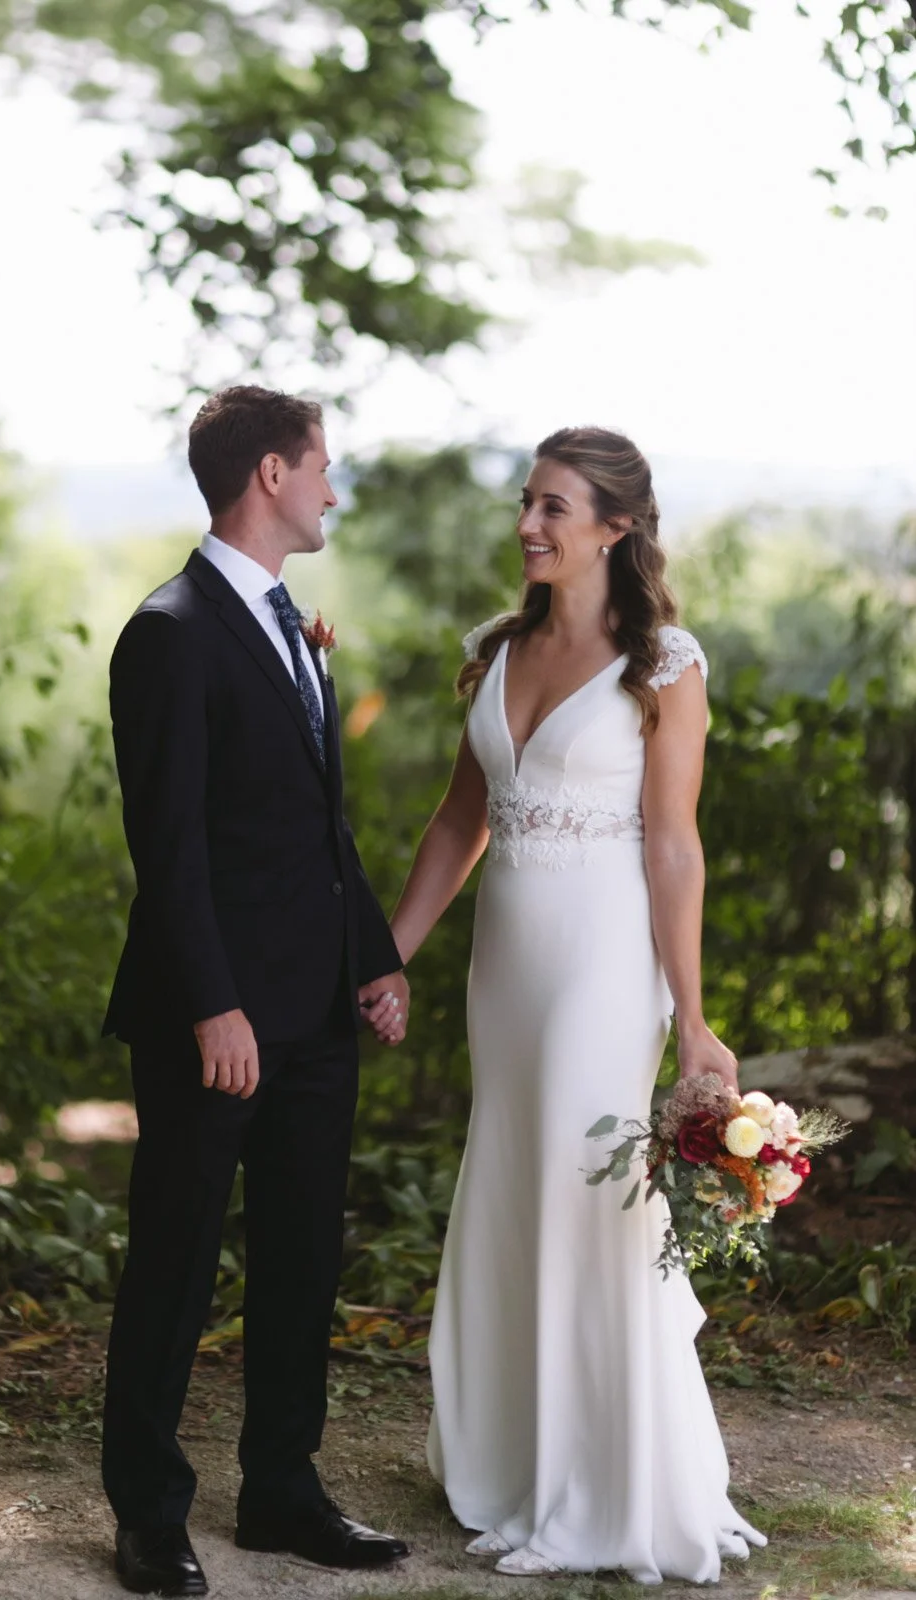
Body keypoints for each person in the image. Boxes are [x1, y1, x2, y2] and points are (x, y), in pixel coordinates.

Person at [387, 427, 767, 1584]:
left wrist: (693, 1020)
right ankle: (510, 1455)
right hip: (505, 961)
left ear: (615, 526)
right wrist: (388, 952)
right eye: (526, 501)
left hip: (606, 960)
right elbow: (461, 820)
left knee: (586, 1187)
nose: (529, 525)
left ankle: (601, 1480)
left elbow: (672, 846)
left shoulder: (664, 666)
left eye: (555, 506)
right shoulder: (496, 649)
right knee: (511, 1176)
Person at [100, 385, 411, 1597]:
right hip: (212, 1019)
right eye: (322, 467)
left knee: (300, 1257)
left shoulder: (289, 624)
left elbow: (315, 830)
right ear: (272, 474)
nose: (333, 488)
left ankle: (280, 1489)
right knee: (173, 1262)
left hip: (315, 1012)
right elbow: (166, 843)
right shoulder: (169, 630)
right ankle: (147, 1513)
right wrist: (210, 1004)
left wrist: (373, 955)